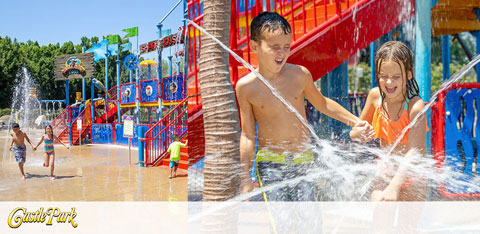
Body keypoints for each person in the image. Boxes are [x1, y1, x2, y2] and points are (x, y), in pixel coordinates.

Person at [236, 12, 375, 201]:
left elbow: (323, 103)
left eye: (286, 47)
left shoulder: (299, 75)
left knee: (309, 223)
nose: (281, 53)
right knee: (281, 225)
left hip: (304, 160)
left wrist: (356, 122)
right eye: (274, 47)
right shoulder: (246, 87)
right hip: (270, 165)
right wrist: (245, 178)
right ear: (255, 46)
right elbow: (248, 135)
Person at [350, 41, 428, 201]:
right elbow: (354, 133)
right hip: (386, 169)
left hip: (413, 173)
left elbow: (415, 151)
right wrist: (359, 133)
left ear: (409, 74)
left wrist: (394, 186)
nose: (389, 83)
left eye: (396, 77)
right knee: (380, 222)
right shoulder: (375, 97)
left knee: (406, 227)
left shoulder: (415, 107)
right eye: (383, 76)